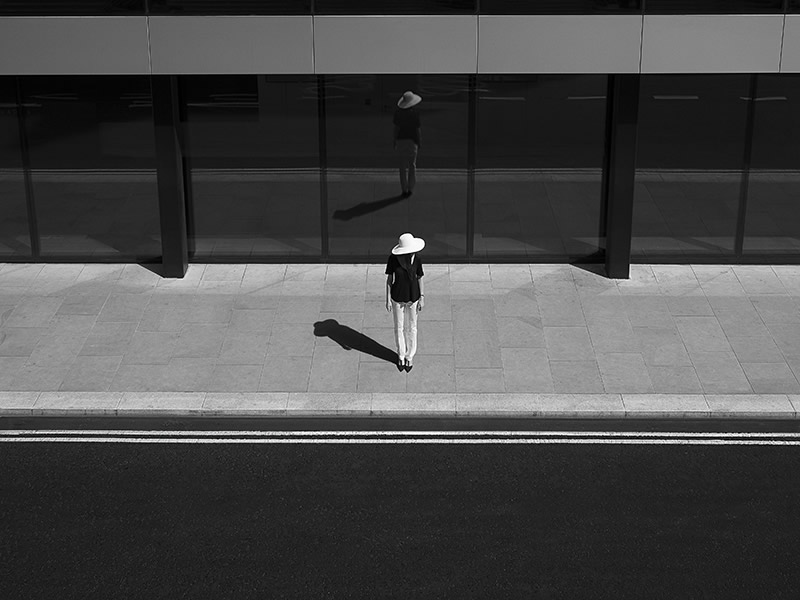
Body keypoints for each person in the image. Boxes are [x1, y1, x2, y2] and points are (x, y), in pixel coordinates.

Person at [385, 233, 425, 372]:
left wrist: (422, 297)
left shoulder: (417, 259)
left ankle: (410, 356)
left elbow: (420, 277)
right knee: (399, 327)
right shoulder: (393, 259)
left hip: (413, 297)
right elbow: (390, 280)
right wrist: (388, 299)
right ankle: (401, 355)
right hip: (397, 297)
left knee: (412, 327)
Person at [393, 90, 422, 198]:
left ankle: (404, 189)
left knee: (402, 166)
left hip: (401, 141)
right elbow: (418, 129)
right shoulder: (415, 114)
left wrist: (394, 140)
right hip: (412, 141)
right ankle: (410, 188)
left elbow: (396, 129)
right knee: (412, 165)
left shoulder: (398, 113)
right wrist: (419, 141)